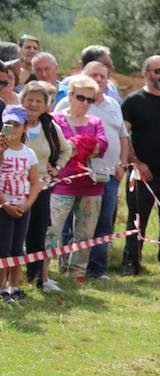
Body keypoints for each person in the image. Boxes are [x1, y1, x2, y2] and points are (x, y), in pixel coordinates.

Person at [55, 62, 129, 281]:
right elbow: (59, 145)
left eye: (102, 76)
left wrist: (122, 163)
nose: (98, 79)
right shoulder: (60, 111)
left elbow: (112, 141)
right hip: (66, 180)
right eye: (93, 75)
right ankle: (57, 271)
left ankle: (91, 270)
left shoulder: (110, 107)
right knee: (60, 227)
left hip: (101, 178)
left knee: (96, 227)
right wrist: (82, 145)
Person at [120, 55, 160, 276]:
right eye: (158, 71)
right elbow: (123, 135)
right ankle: (131, 262)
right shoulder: (133, 101)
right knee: (137, 220)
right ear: (146, 73)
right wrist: (136, 162)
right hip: (142, 175)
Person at [48, 74, 108, 283]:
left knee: (85, 233)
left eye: (90, 100)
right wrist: (82, 144)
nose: (85, 104)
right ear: (71, 96)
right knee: (52, 230)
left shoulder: (95, 121)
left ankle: (77, 273)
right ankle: (43, 271)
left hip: (90, 185)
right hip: (62, 184)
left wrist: (75, 145)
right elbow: (56, 148)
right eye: (81, 98)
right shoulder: (56, 119)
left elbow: (101, 146)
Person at [21, 81, 72, 292]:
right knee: (12, 237)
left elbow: (66, 149)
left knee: (38, 233)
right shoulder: (12, 123)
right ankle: (8, 281)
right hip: (14, 188)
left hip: (41, 188)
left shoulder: (50, 126)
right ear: (22, 100)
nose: (33, 104)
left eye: (38, 101)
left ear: (46, 105)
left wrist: (57, 168)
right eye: (29, 99)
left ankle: (36, 279)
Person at [0, 105, 40, 302]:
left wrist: (28, 204)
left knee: (17, 249)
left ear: (25, 127)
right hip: (3, 206)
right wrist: (5, 204)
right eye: (8, 124)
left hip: (22, 206)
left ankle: (14, 287)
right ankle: (1, 288)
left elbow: (35, 182)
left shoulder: (29, 153)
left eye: (17, 124)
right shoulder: (1, 150)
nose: (12, 128)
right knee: (3, 249)